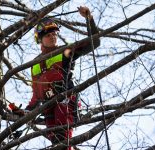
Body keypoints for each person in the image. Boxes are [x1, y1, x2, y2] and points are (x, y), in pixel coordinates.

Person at [25, 6, 100, 150]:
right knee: (55, 142)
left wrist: (89, 19)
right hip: (48, 106)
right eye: (48, 35)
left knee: (62, 138)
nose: (53, 36)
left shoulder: (65, 51)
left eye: (54, 34)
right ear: (40, 39)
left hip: (65, 98)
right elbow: (36, 93)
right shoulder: (34, 64)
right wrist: (27, 111)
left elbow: (94, 42)